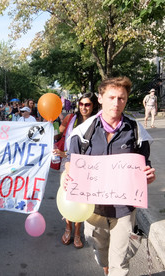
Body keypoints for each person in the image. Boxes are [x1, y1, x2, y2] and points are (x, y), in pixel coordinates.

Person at [64, 77, 156, 275]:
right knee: (101, 252)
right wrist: (69, 179)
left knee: (119, 264)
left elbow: (144, 165)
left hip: (124, 210)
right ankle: (105, 265)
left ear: (126, 99)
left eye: (121, 98)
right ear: (100, 98)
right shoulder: (83, 132)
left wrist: (148, 175)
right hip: (93, 210)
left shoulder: (135, 130)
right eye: (111, 97)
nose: (116, 103)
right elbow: (71, 164)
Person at [53, 92, 99, 249]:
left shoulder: (99, 123)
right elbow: (58, 134)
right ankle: (68, 227)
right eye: (81, 104)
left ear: (94, 106)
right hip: (68, 161)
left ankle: (78, 231)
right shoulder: (70, 119)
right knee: (68, 195)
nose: (83, 108)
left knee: (81, 200)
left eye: (87, 105)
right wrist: (48, 126)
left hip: (88, 164)